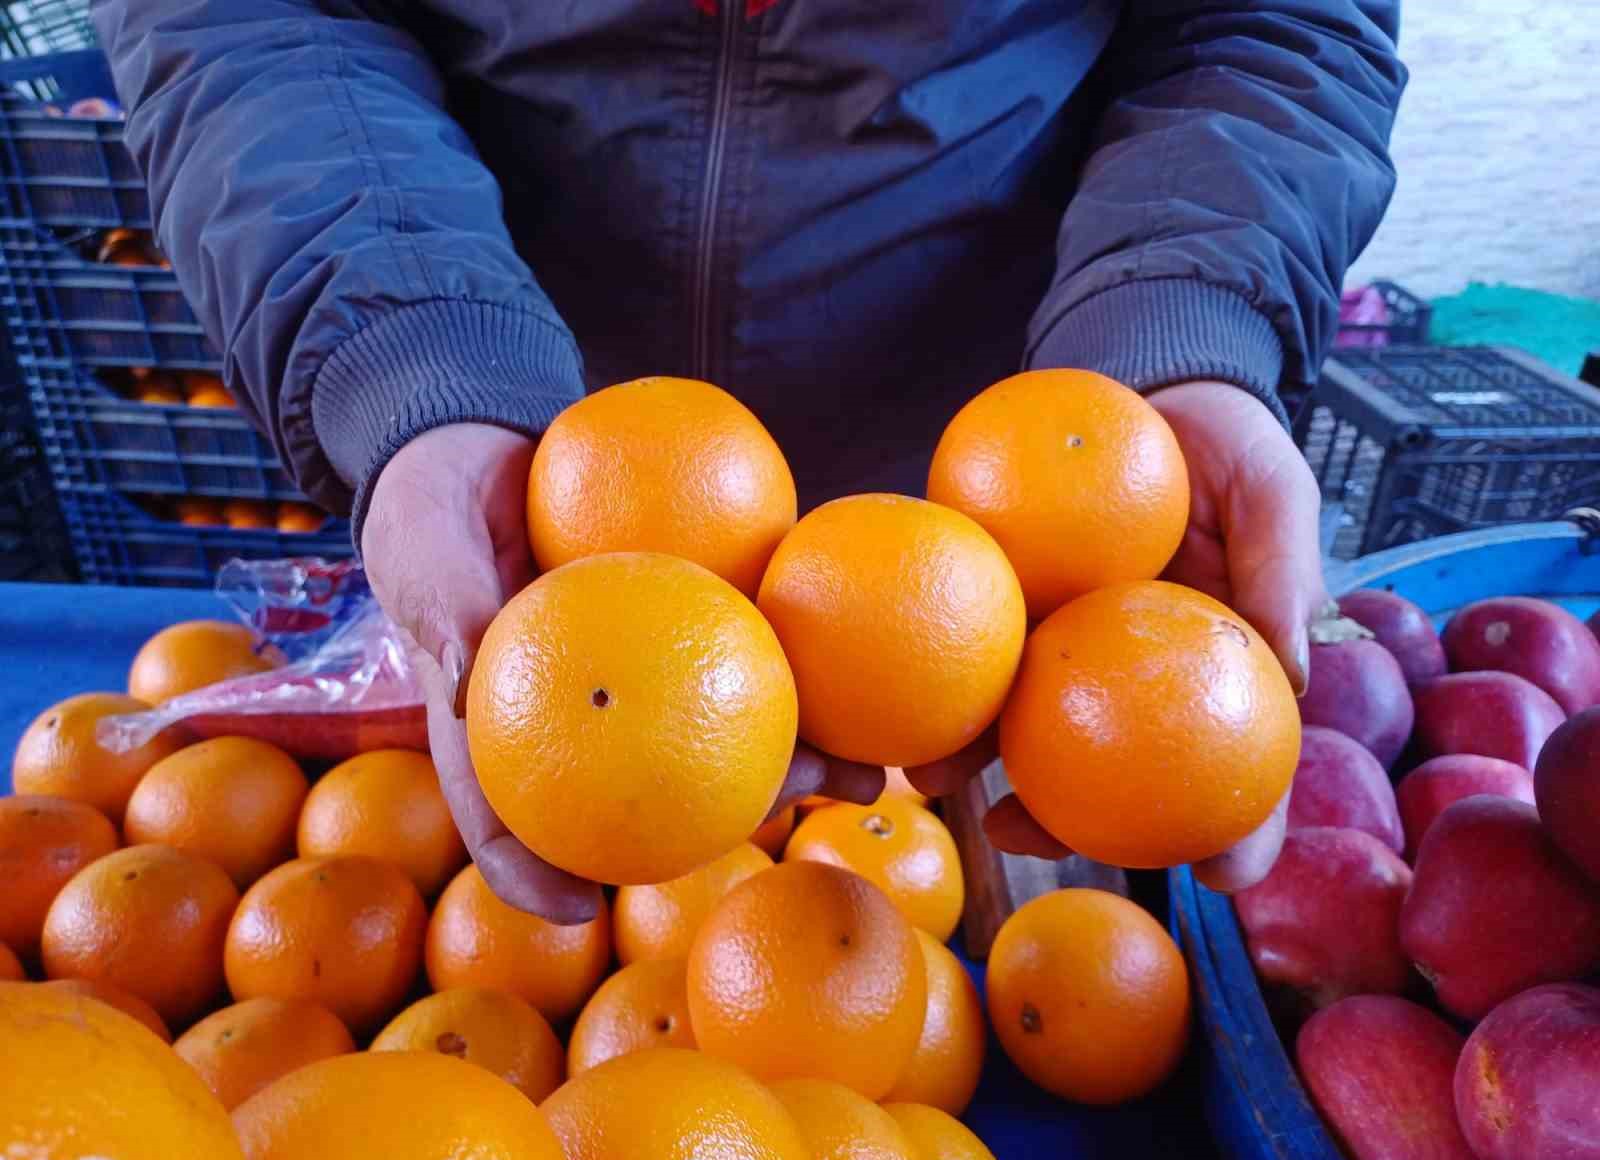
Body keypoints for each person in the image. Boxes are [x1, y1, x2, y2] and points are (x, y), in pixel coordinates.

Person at [93, 1, 1405, 922]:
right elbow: (246, 16)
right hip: (537, 479)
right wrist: (412, 356)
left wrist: (1183, 318)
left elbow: (1267, 22)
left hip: (1015, 509)